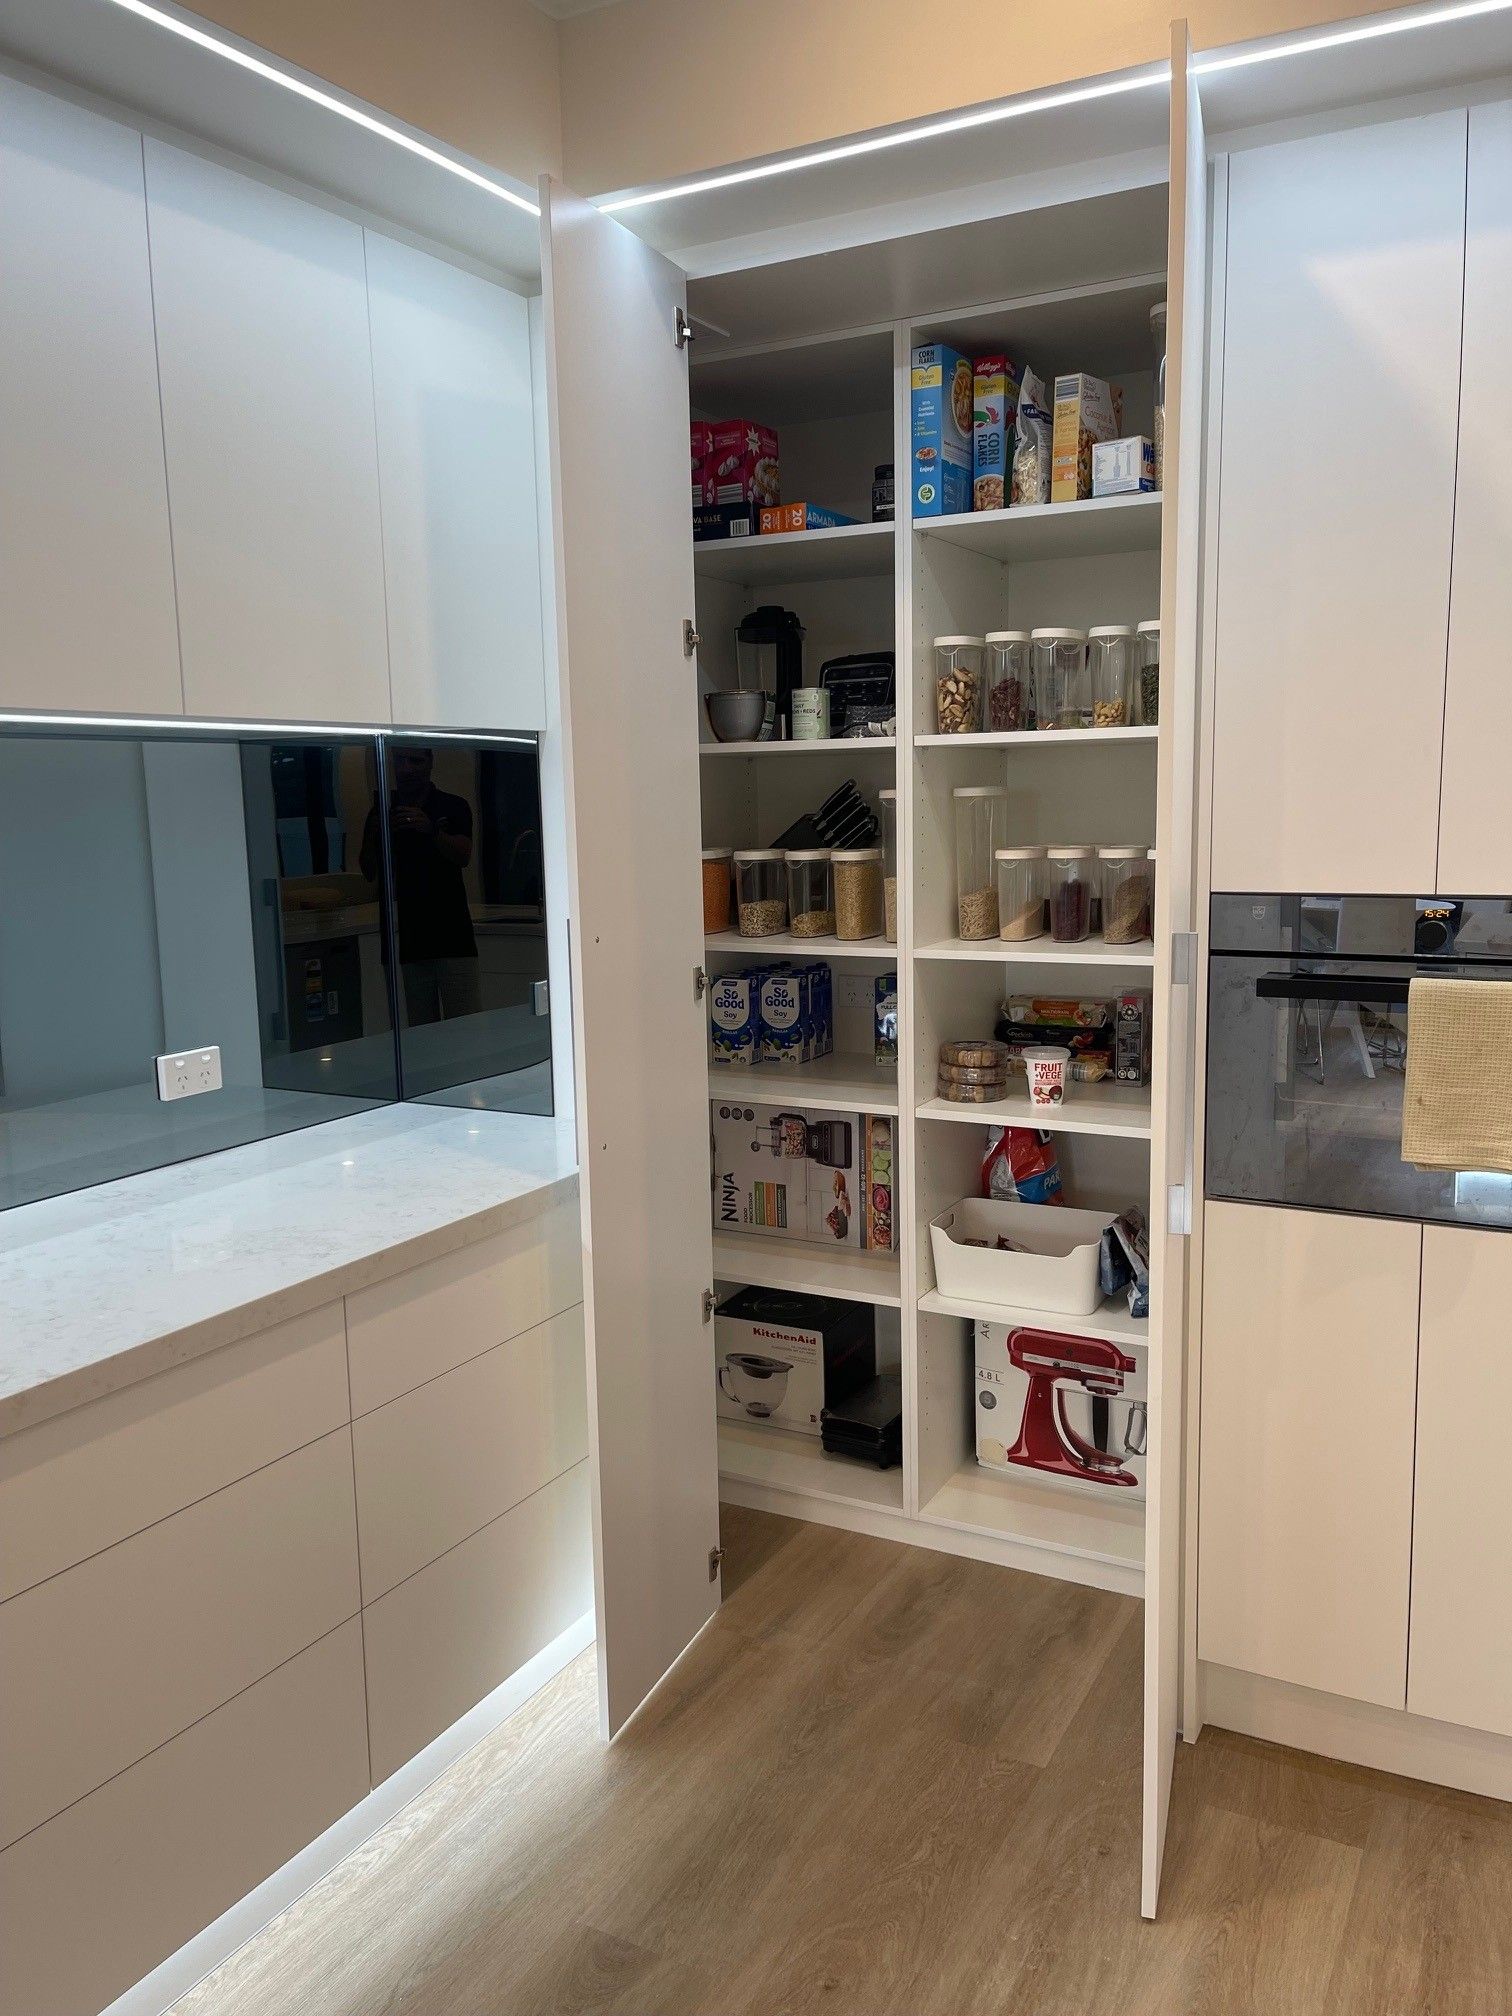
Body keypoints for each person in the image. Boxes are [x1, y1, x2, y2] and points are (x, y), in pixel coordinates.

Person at [360, 746, 481, 1024]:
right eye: (400, 761)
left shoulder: (452, 805)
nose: (407, 768)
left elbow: (463, 856)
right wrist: (376, 834)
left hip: (452, 934)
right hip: (407, 938)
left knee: (465, 1026)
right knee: (418, 1032)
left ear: (430, 763)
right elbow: (368, 871)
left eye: (415, 760)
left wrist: (431, 830)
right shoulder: (381, 811)